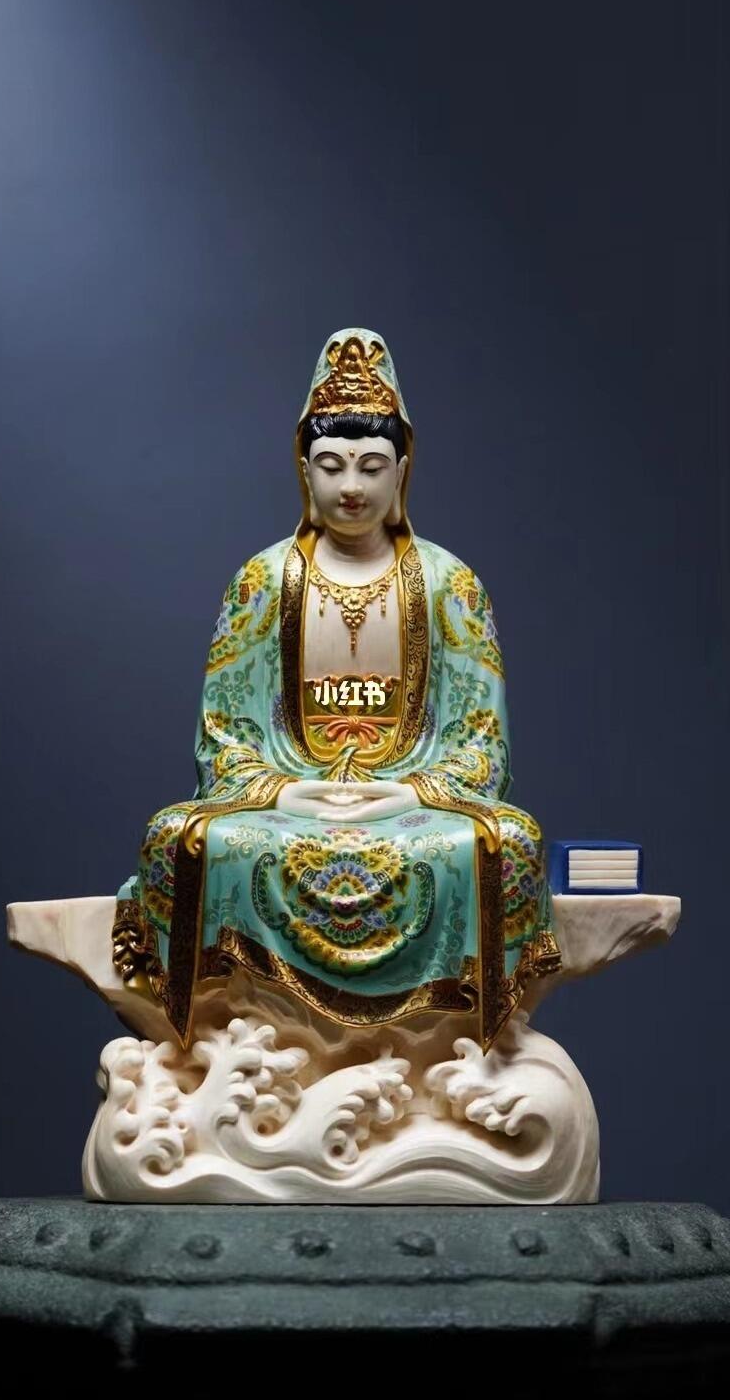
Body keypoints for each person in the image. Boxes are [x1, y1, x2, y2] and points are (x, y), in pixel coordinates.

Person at [112, 328, 560, 1050]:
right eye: (332, 465)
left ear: (402, 471)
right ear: (304, 470)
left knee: (508, 841)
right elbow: (226, 734)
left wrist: (407, 793)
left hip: (411, 809)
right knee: (179, 837)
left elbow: (481, 740)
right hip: (290, 807)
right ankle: (213, 1042)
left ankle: (467, 1045)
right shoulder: (263, 581)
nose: (352, 486)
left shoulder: (449, 584)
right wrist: (288, 792)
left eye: (371, 466)